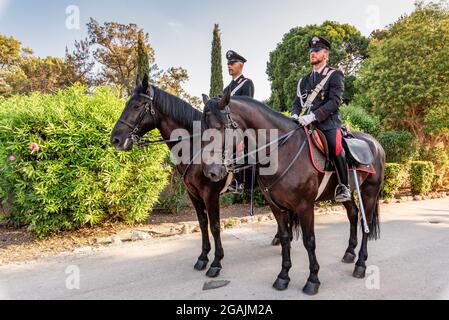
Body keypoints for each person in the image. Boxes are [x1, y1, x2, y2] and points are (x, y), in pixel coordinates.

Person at [291, 36, 351, 203]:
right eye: (311, 51)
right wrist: (295, 115)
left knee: (335, 146)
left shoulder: (334, 74)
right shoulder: (304, 80)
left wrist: (314, 116)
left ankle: (344, 186)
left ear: (326, 55)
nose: (312, 53)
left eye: (316, 51)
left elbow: (335, 101)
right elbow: (297, 102)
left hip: (327, 123)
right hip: (305, 124)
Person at [224, 50, 255, 193]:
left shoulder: (246, 83)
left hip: (242, 125)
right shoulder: (226, 89)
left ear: (240, 65)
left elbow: (247, 109)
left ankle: (239, 181)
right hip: (228, 125)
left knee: (238, 143)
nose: (229, 65)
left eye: (232, 63)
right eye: (228, 63)